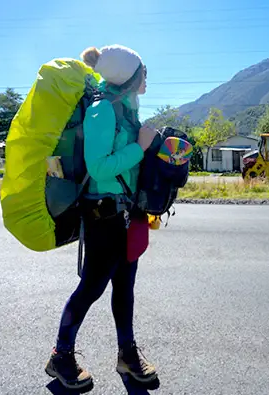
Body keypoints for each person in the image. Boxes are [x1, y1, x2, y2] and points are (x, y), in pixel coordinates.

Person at [44, 44, 159, 390]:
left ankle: (127, 354)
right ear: (129, 76)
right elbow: (99, 166)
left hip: (127, 214)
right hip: (104, 216)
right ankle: (60, 355)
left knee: (124, 288)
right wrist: (140, 146)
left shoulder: (127, 108)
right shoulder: (101, 111)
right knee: (91, 288)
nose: (146, 76)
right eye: (142, 70)